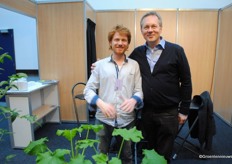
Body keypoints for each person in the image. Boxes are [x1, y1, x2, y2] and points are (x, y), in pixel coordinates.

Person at [129, 11, 192, 161]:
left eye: (153, 26)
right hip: (146, 112)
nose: (150, 30)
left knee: (164, 153)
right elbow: (122, 65)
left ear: (161, 28)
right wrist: (102, 65)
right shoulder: (137, 53)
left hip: (168, 113)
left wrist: (184, 110)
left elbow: (186, 81)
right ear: (142, 30)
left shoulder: (177, 51)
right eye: (146, 27)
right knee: (148, 150)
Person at [83, 25, 143, 164]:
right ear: (110, 42)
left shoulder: (134, 65)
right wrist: (100, 103)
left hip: (127, 119)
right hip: (103, 119)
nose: (120, 43)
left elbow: (139, 91)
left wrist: (134, 100)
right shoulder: (100, 65)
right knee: (101, 155)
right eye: (116, 39)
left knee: (126, 156)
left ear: (128, 44)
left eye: (124, 40)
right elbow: (88, 90)